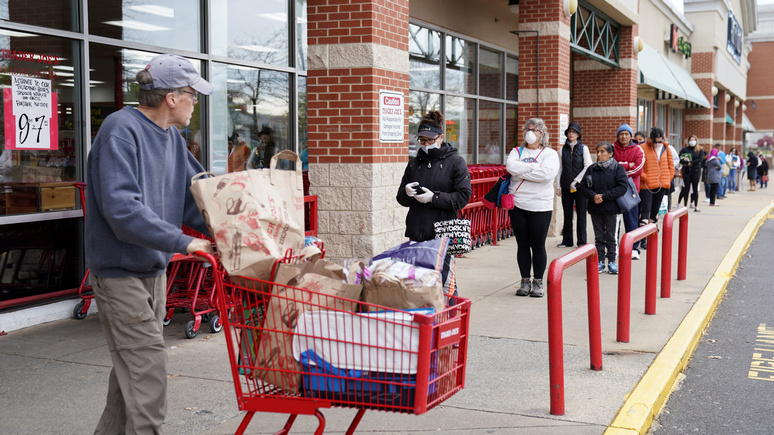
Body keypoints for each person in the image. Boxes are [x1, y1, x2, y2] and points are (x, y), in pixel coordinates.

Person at [85, 53, 214, 434]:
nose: (195, 103)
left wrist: (241, 226)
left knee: (131, 376)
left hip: (152, 271)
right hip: (119, 272)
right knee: (148, 373)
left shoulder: (171, 139)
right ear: (172, 97)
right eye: (193, 94)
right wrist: (185, 243)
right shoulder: (120, 129)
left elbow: (199, 198)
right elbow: (122, 210)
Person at [397, 110, 472, 297]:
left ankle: (448, 320)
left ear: (441, 137)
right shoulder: (414, 164)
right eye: (422, 140)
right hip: (417, 232)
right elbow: (400, 198)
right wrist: (407, 193)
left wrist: (434, 198)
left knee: (443, 284)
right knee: (418, 284)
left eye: (430, 140)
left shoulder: (456, 162)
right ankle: (426, 321)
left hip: (443, 233)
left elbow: (463, 197)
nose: (426, 144)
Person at [506, 118, 560, 297]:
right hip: (518, 204)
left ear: (542, 133)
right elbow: (510, 167)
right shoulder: (516, 151)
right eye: (528, 129)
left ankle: (538, 281)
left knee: (538, 245)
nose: (531, 132)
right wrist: (534, 168)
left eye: (535, 130)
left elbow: (547, 174)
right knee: (522, 245)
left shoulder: (549, 153)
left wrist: (522, 172)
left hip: (540, 206)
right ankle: (524, 281)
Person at [577, 142, 628, 274]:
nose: (599, 154)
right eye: (597, 151)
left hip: (612, 209)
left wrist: (604, 197)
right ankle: (600, 261)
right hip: (596, 209)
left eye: (602, 152)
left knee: (611, 237)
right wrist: (593, 196)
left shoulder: (618, 168)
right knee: (599, 237)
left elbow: (622, 187)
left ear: (610, 154)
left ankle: (612, 261)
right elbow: (582, 187)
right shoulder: (591, 169)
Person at [555, 122, 592, 248]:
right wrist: (558, 186)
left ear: (578, 135)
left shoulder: (583, 148)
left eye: (574, 132)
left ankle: (581, 241)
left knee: (581, 214)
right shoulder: (562, 149)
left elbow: (588, 166)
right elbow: (560, 169)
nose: (571, 134)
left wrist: (576, 181)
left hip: (580, 187)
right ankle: (567, 241)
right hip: (566, 186)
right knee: (567, 214)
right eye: (570, 132)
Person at [613, 123, 644, 259]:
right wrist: (627, 165)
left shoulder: (638, 150)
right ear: (618, 136)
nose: (624, 136)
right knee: (613, 222)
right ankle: (613, 248)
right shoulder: (612, 148)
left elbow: (638, 170)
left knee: (631, 221)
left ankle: (633, 249)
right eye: (621, 134)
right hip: (614, 190)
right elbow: (610, 166)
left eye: (626, 134)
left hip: (631, 191)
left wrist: (620, 168)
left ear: (631, 136)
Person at [638, 127, 674, 227]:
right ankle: (644, 240)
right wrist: (645, 177)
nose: (658, 144)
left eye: (660, 141)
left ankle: (652, 235)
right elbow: (638, 166)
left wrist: (668, 178)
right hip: (646, 185)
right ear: (651, 139)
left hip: (661, 184)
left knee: (654, 212)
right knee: (645, 212)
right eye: (655, 142)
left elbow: (671, 165)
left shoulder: (665, 148)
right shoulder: (643, 147)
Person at [678, 135, 705, 212]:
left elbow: (700, 160)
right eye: (690, 140)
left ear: (696, 141)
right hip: (686, 170)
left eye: (693, 140)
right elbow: (680, 158)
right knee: (686, 188)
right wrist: (685, 162)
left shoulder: (699, 150)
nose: (692, 141)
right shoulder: (684, 149)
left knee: (695, 188)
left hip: (696, 171)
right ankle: (685, 206)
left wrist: (691, 162)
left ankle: (695, 205)